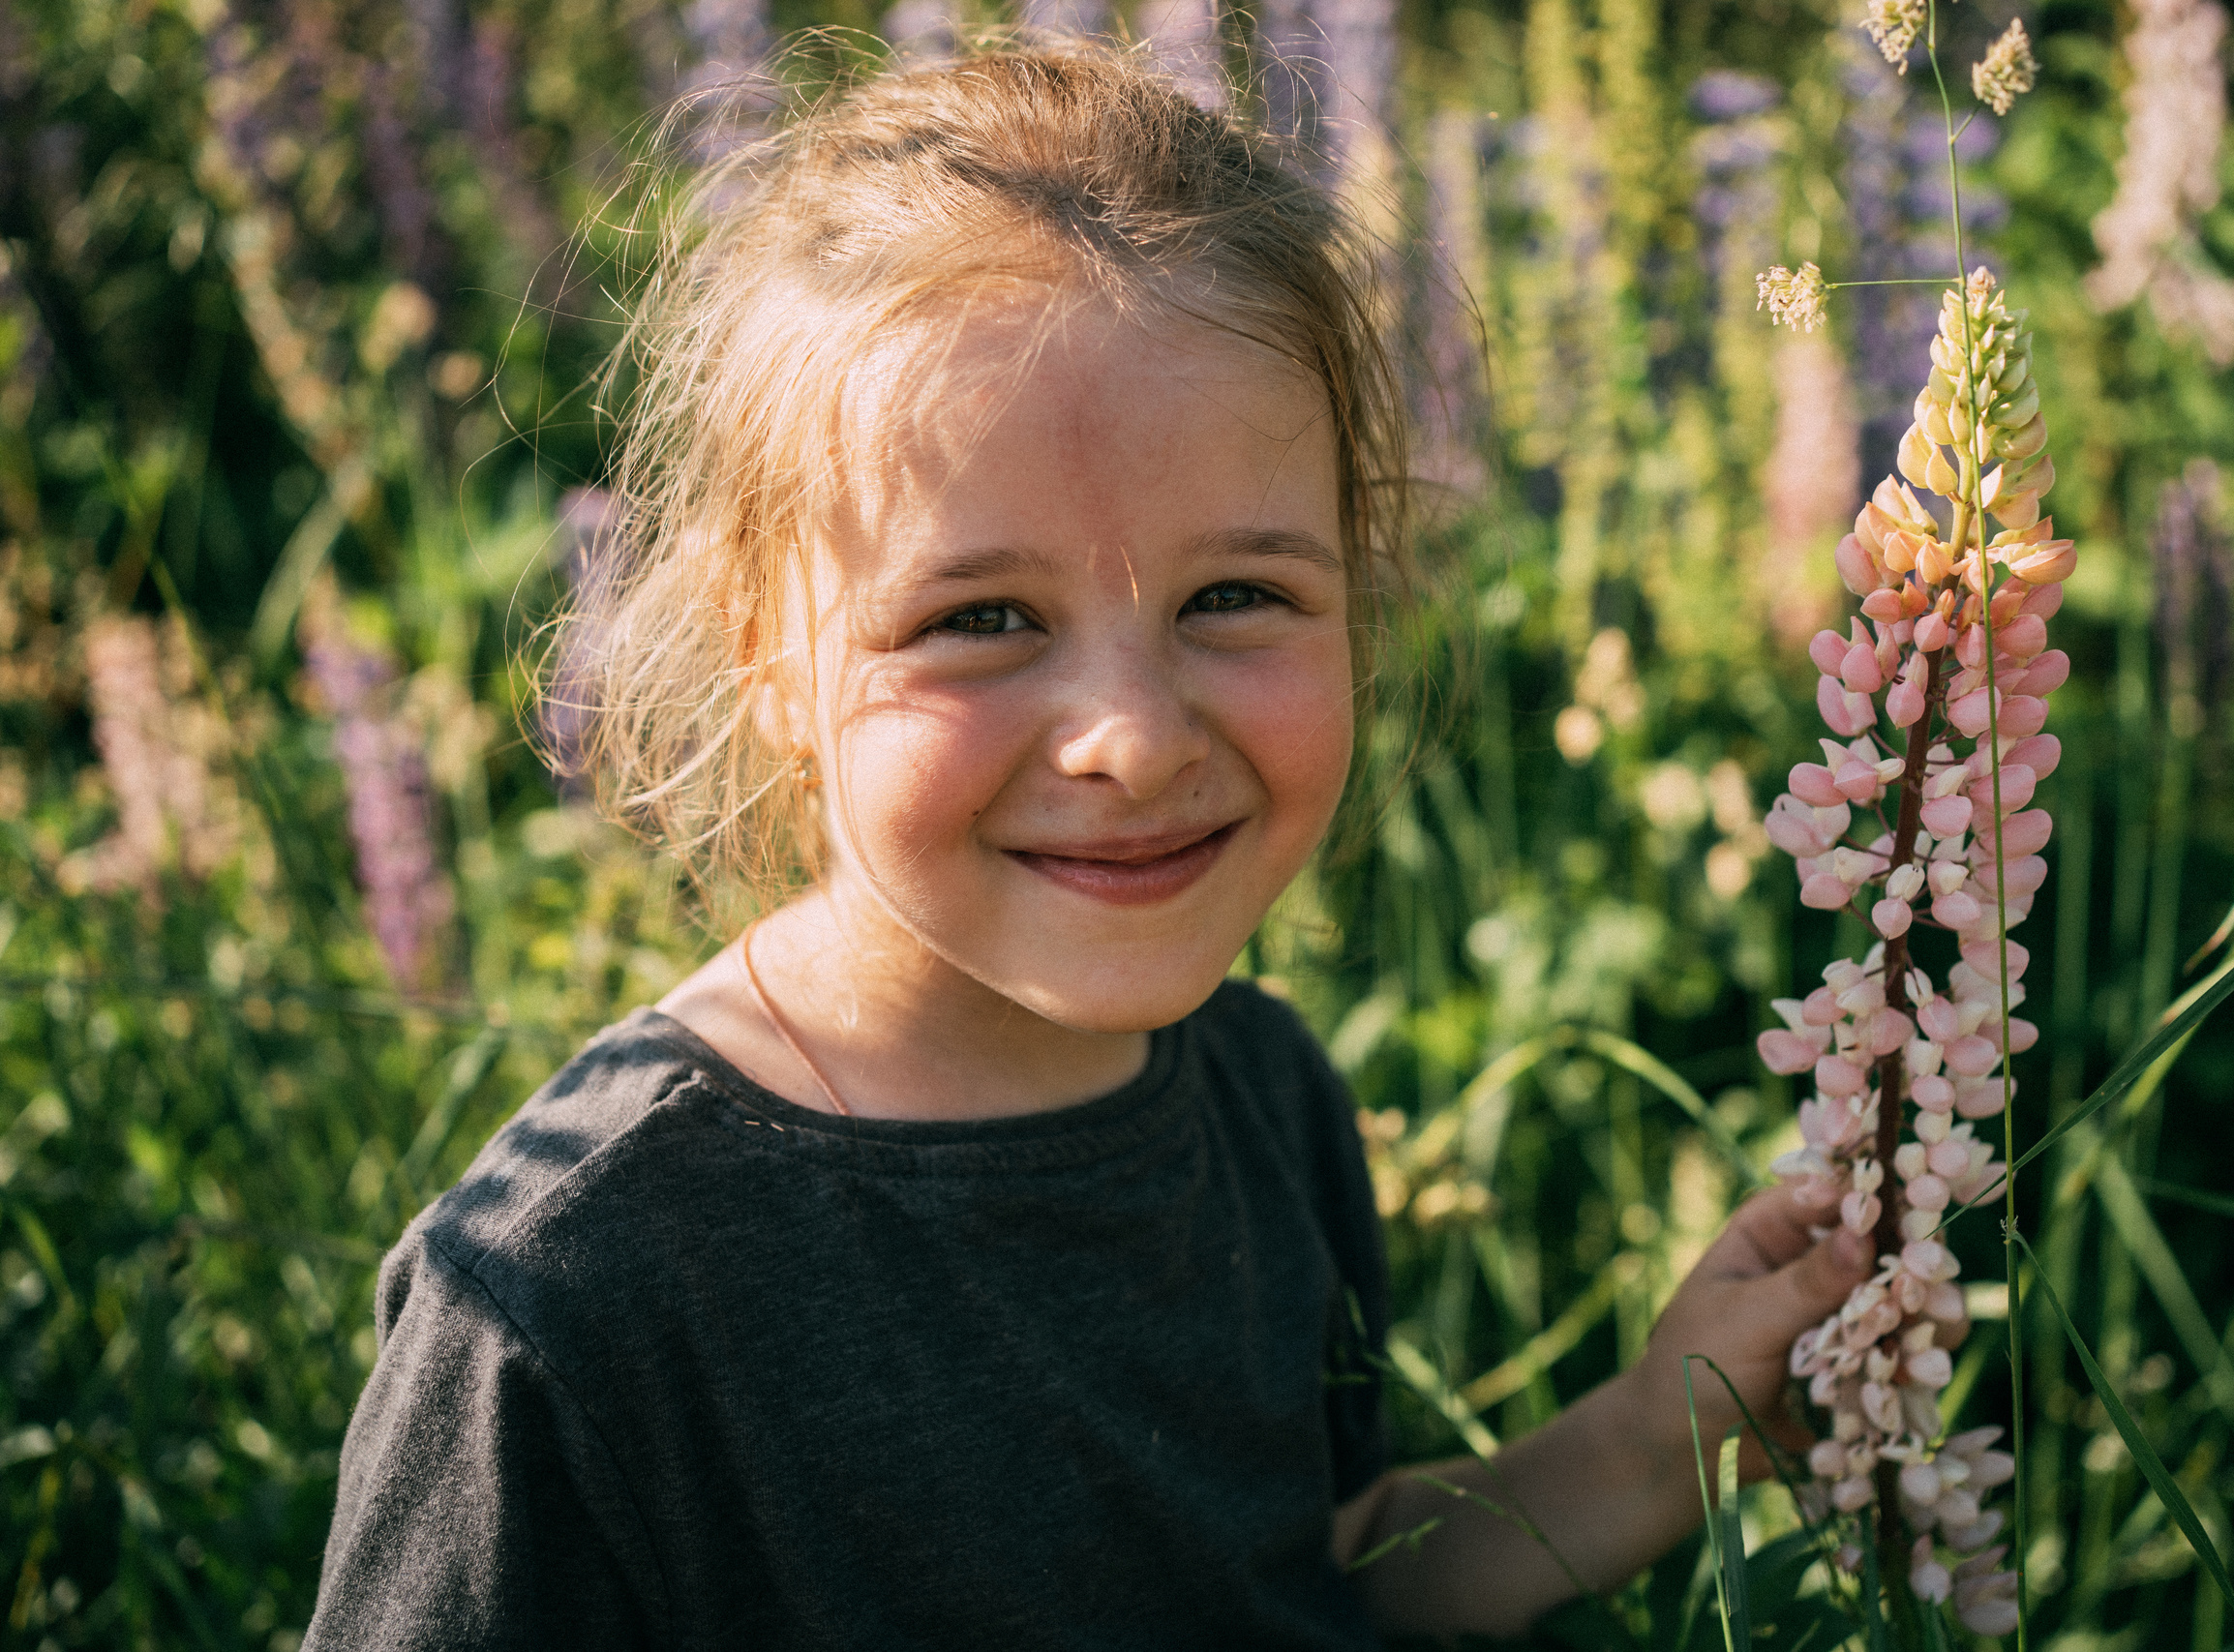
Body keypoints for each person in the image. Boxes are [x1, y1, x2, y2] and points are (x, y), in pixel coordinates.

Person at [305, 40, 1874, 1650]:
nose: (1132, 738)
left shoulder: (1264, 1098)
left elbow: (1305, 1579)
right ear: (764, 652)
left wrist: (1646, 1441)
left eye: (1236, 597)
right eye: (981, 618)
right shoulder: (573, 1296)